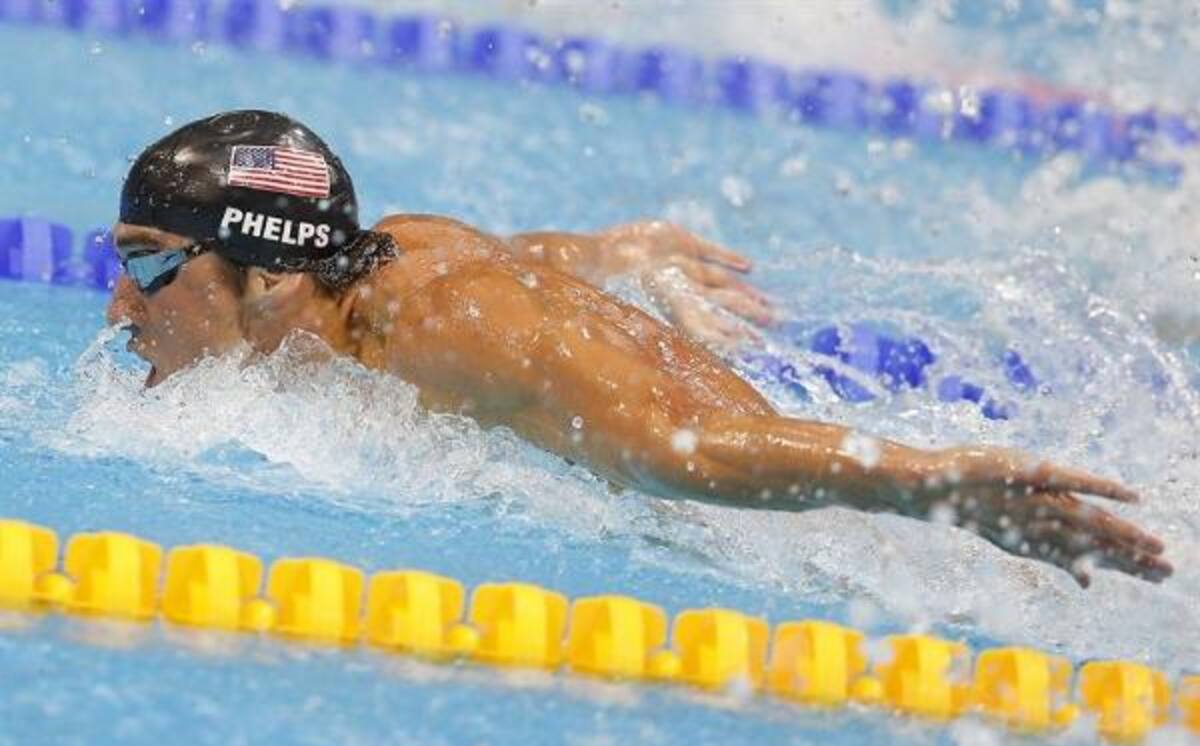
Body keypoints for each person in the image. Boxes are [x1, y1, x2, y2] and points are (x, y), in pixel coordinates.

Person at [106, 110, 1171, 588]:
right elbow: (518, 254)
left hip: (851, 532)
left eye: (153, 267)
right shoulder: (364, 275)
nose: (120, 309)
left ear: (271, 272)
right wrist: (615, 249)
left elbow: (676, 449)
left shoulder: (441, 326)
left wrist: (931, 484)